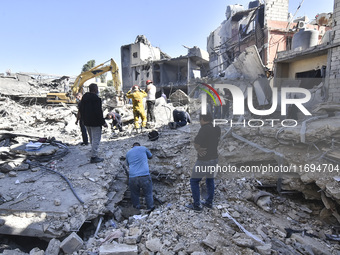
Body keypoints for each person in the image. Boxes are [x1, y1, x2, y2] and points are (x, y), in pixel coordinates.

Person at [187, 112, 221, 211]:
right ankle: (209, 202)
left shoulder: (204, 129)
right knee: (210, 180)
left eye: (200, 120)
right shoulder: (217, 128)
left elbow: (196, 142)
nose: (200, 122)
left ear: (203, 119)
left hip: (204, 160)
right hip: (214, 159)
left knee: (194, 181)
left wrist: (198, 149)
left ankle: (197, 205)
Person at [79, 83, 108, 163]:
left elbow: (81, 109)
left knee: (91, 137)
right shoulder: (96, 98)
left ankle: (93, 151)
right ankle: (94, 157)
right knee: (96, 139)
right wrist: (103, 122)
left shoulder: (84, 97)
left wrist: (83, 119)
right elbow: (98, 112)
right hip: (95, 122)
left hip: (87, 122)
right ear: (95, 89)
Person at [126, 142, 155, 211]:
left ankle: (136, 209)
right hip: (144, 175)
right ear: (139, 145)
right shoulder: (143, 148)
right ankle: (150, 208)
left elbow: (128, 164)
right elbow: (150, 156)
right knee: (148, 193)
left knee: (134, 194)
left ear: (132, 146)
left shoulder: (128, 153)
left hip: (132, 177)